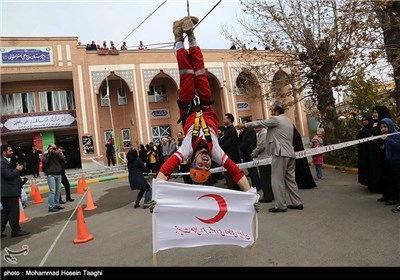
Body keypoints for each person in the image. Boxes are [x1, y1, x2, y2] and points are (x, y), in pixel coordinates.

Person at [156, 16, 252, 193]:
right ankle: (190, 33)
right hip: (205, 104)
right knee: (199, 70)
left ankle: (178, 36)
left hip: (188, 106)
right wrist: (250, 194)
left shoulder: (186, 149)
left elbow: (165, 170)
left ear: (193, 161)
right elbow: (236, 172)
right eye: (206, 167)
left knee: (186, 72)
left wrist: (156, 196)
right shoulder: (216, 151)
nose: (205, 164)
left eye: (200, 165)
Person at [237, 105, 303, 212]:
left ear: (277, 111)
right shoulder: (288, 121)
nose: (271, 113)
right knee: (290, 179)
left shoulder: (276, 119)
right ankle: (297, 202)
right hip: (290, 153)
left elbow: (261, 123)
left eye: (272, 111)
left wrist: (245, 124)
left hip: (280, 153)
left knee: (277, 180)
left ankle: (280, 205)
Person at [1, 144, 30, 238]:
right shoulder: (2, 162)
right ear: (4, 152)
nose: (12, 152)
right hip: (9, 192)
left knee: (5, 212)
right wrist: (17, 170)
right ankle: (15, 230)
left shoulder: (5, 161)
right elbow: (8, 176)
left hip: (6, 191)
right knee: (13, 211)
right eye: (10, 151)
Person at [379, 118, 400, 211]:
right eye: (381, 127)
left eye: (385, 127)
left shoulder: (396, 135)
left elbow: (397, 146)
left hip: (398, 163)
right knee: (395, 183)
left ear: (390, 126)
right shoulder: (387, 136)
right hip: (392, 163)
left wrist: (387, 139)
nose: (383, 129)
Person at [251, 127, 274, 202]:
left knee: (265, 178)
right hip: (264, 158)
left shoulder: (264, 133)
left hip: (264, 158)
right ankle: (270, 194)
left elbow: (261, 146)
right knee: (267, 178)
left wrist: (254, 153)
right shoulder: (261, 134)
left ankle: (267, 196)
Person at [42, 144, 66, 212]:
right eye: (52, 148)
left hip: (58, 174)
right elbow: (44, 161)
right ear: (48, 149)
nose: (53, 150)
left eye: (54, 148)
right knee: (53, 191)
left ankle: (56, 204)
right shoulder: (46, 155)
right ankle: (50, 206)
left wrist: (59, 153)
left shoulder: (58, 154)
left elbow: (64, 159)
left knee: (58, 190)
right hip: (51, 174)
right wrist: (49, 153)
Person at [355, 115, 373, 186]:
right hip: (363, 152)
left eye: (366, 120)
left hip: (369, 152)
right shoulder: (363, 129)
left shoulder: (372, 129)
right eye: (363, 120)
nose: (364, 121)